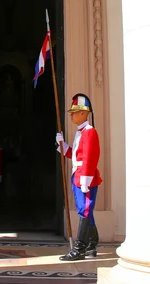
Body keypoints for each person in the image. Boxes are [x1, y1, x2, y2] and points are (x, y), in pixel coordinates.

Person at [56, 93, 102, 261]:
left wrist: (85, 180)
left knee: (84, 211)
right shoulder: (80, 133)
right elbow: (76, 156)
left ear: (83, 113)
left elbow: (90, 157)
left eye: (74, 112)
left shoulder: (89, 132)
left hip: (85, 177)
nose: (71, 115)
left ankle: (79, 248)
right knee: (85, 211)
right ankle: (92, 244)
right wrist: (63, 146)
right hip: (79, 176)